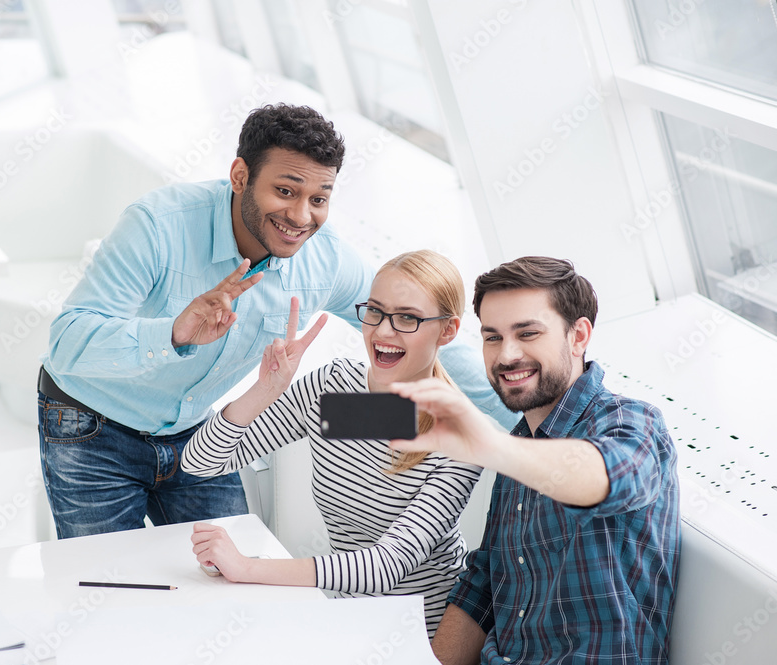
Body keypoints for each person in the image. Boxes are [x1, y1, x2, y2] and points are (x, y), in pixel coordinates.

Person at [38, 103, 514, 539]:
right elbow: (67, 343)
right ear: (240, 175)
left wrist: (530, 424)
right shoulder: (157, 226)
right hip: (92, 425)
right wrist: (174, 333)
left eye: (319, 199)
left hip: (196, 432)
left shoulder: (324, 262)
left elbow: (423, 331)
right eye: (285, 191)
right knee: (110, 592)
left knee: (233, 581)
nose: (301, 216)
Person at [389, 256, 680, 664]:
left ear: (578, 336)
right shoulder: (519, 442)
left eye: (527, 333)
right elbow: (485, 584)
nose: (506, 355)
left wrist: (491, 447)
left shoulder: (633, 421)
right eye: (492, 337)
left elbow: (607, 474)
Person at [182, 250, 482, 637]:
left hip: (425, 634)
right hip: (344, 616)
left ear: (447, 331)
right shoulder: (339, 396)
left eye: (407, 317)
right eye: (374, 311)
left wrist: (247, 567)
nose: (383, 331)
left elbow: (385, 566)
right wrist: (265, 391)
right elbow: (200, 462)